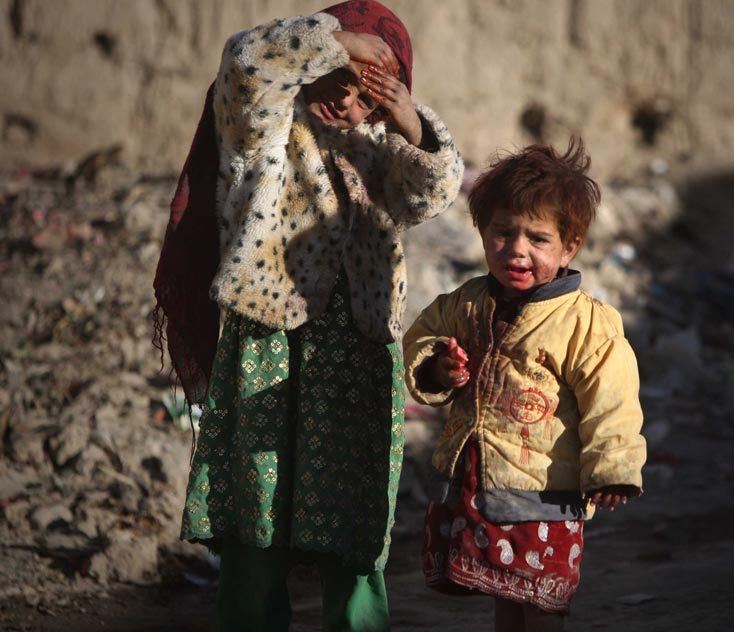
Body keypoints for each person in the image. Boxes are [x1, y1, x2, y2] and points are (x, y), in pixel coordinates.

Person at [152, 1, 464, 630]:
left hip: (356, 350)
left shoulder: (379, 145)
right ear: (312, 64)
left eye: (365, 89)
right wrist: (336, 39)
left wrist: (411, 122)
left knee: (353, 514)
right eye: (336, 76)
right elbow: (245, 61)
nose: (345, 100)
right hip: (267, 339)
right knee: (257, 509)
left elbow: (432, 191)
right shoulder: (263, 126)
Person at [403, 139, 646, 631]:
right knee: (506, 595)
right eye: (502, 233)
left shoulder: (585, 323)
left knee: (542, 605)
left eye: (537, 238)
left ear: (569, 246)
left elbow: (612, 398)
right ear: (481, 232)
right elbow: (421, 339)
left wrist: (614, 465)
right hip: (484, 486)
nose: (517, 249)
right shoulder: (466, 304)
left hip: (547, 497)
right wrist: (437, 369)